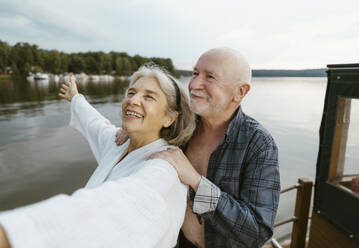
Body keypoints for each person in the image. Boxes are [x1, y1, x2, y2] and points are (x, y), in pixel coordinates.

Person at [0, 64, 196, 248]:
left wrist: (12, 235)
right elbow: (93, 121)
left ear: (170, 117)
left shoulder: (164, 169)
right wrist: (75, 97)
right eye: (131, 92)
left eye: (149, 97)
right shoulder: (119, 143)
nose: (134, 101)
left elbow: (118, 207)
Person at [116, 48, 280, 247]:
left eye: (210, 77)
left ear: (240, 92)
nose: (193, 84)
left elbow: (257, 231)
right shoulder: (182, 124)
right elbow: (152, 124)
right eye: (195, 73)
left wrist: (196, 181)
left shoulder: (258, 144)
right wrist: (135, 129)